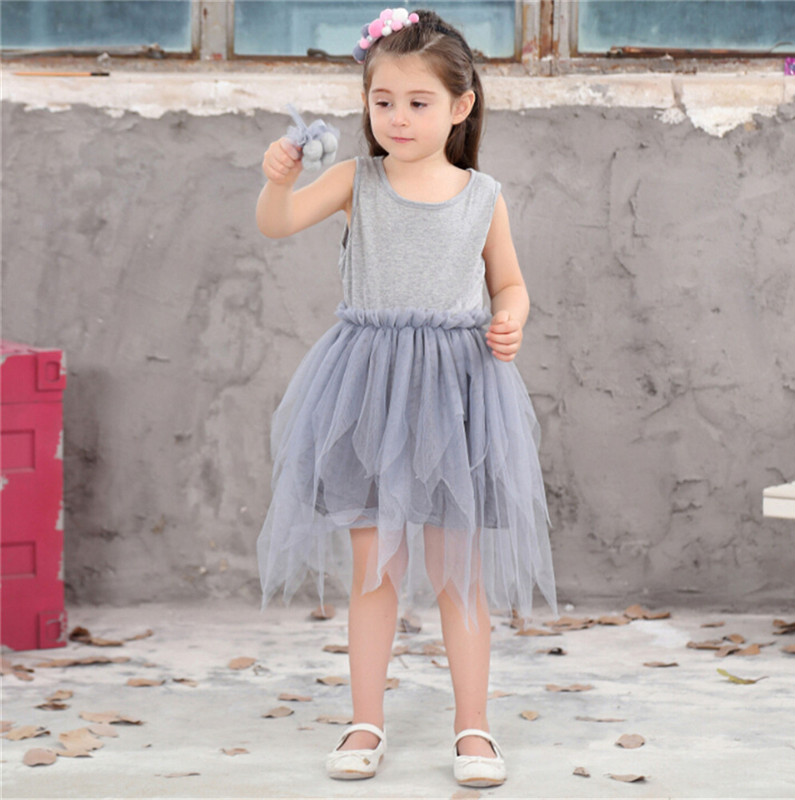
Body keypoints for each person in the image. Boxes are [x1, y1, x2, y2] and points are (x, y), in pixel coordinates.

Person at [255, 7, 557, 788]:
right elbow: (278, 224)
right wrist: (278, 182)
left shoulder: (481, 196)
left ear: (460, 106)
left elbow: (510, 283)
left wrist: (511, 319)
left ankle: (473, 727)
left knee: (459, 571)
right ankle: (366, 721)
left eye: (418, 102)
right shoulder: (356, 182)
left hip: (457, 394)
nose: (397, 117)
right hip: (368, 390)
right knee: (373, 568)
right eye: (382, 100)